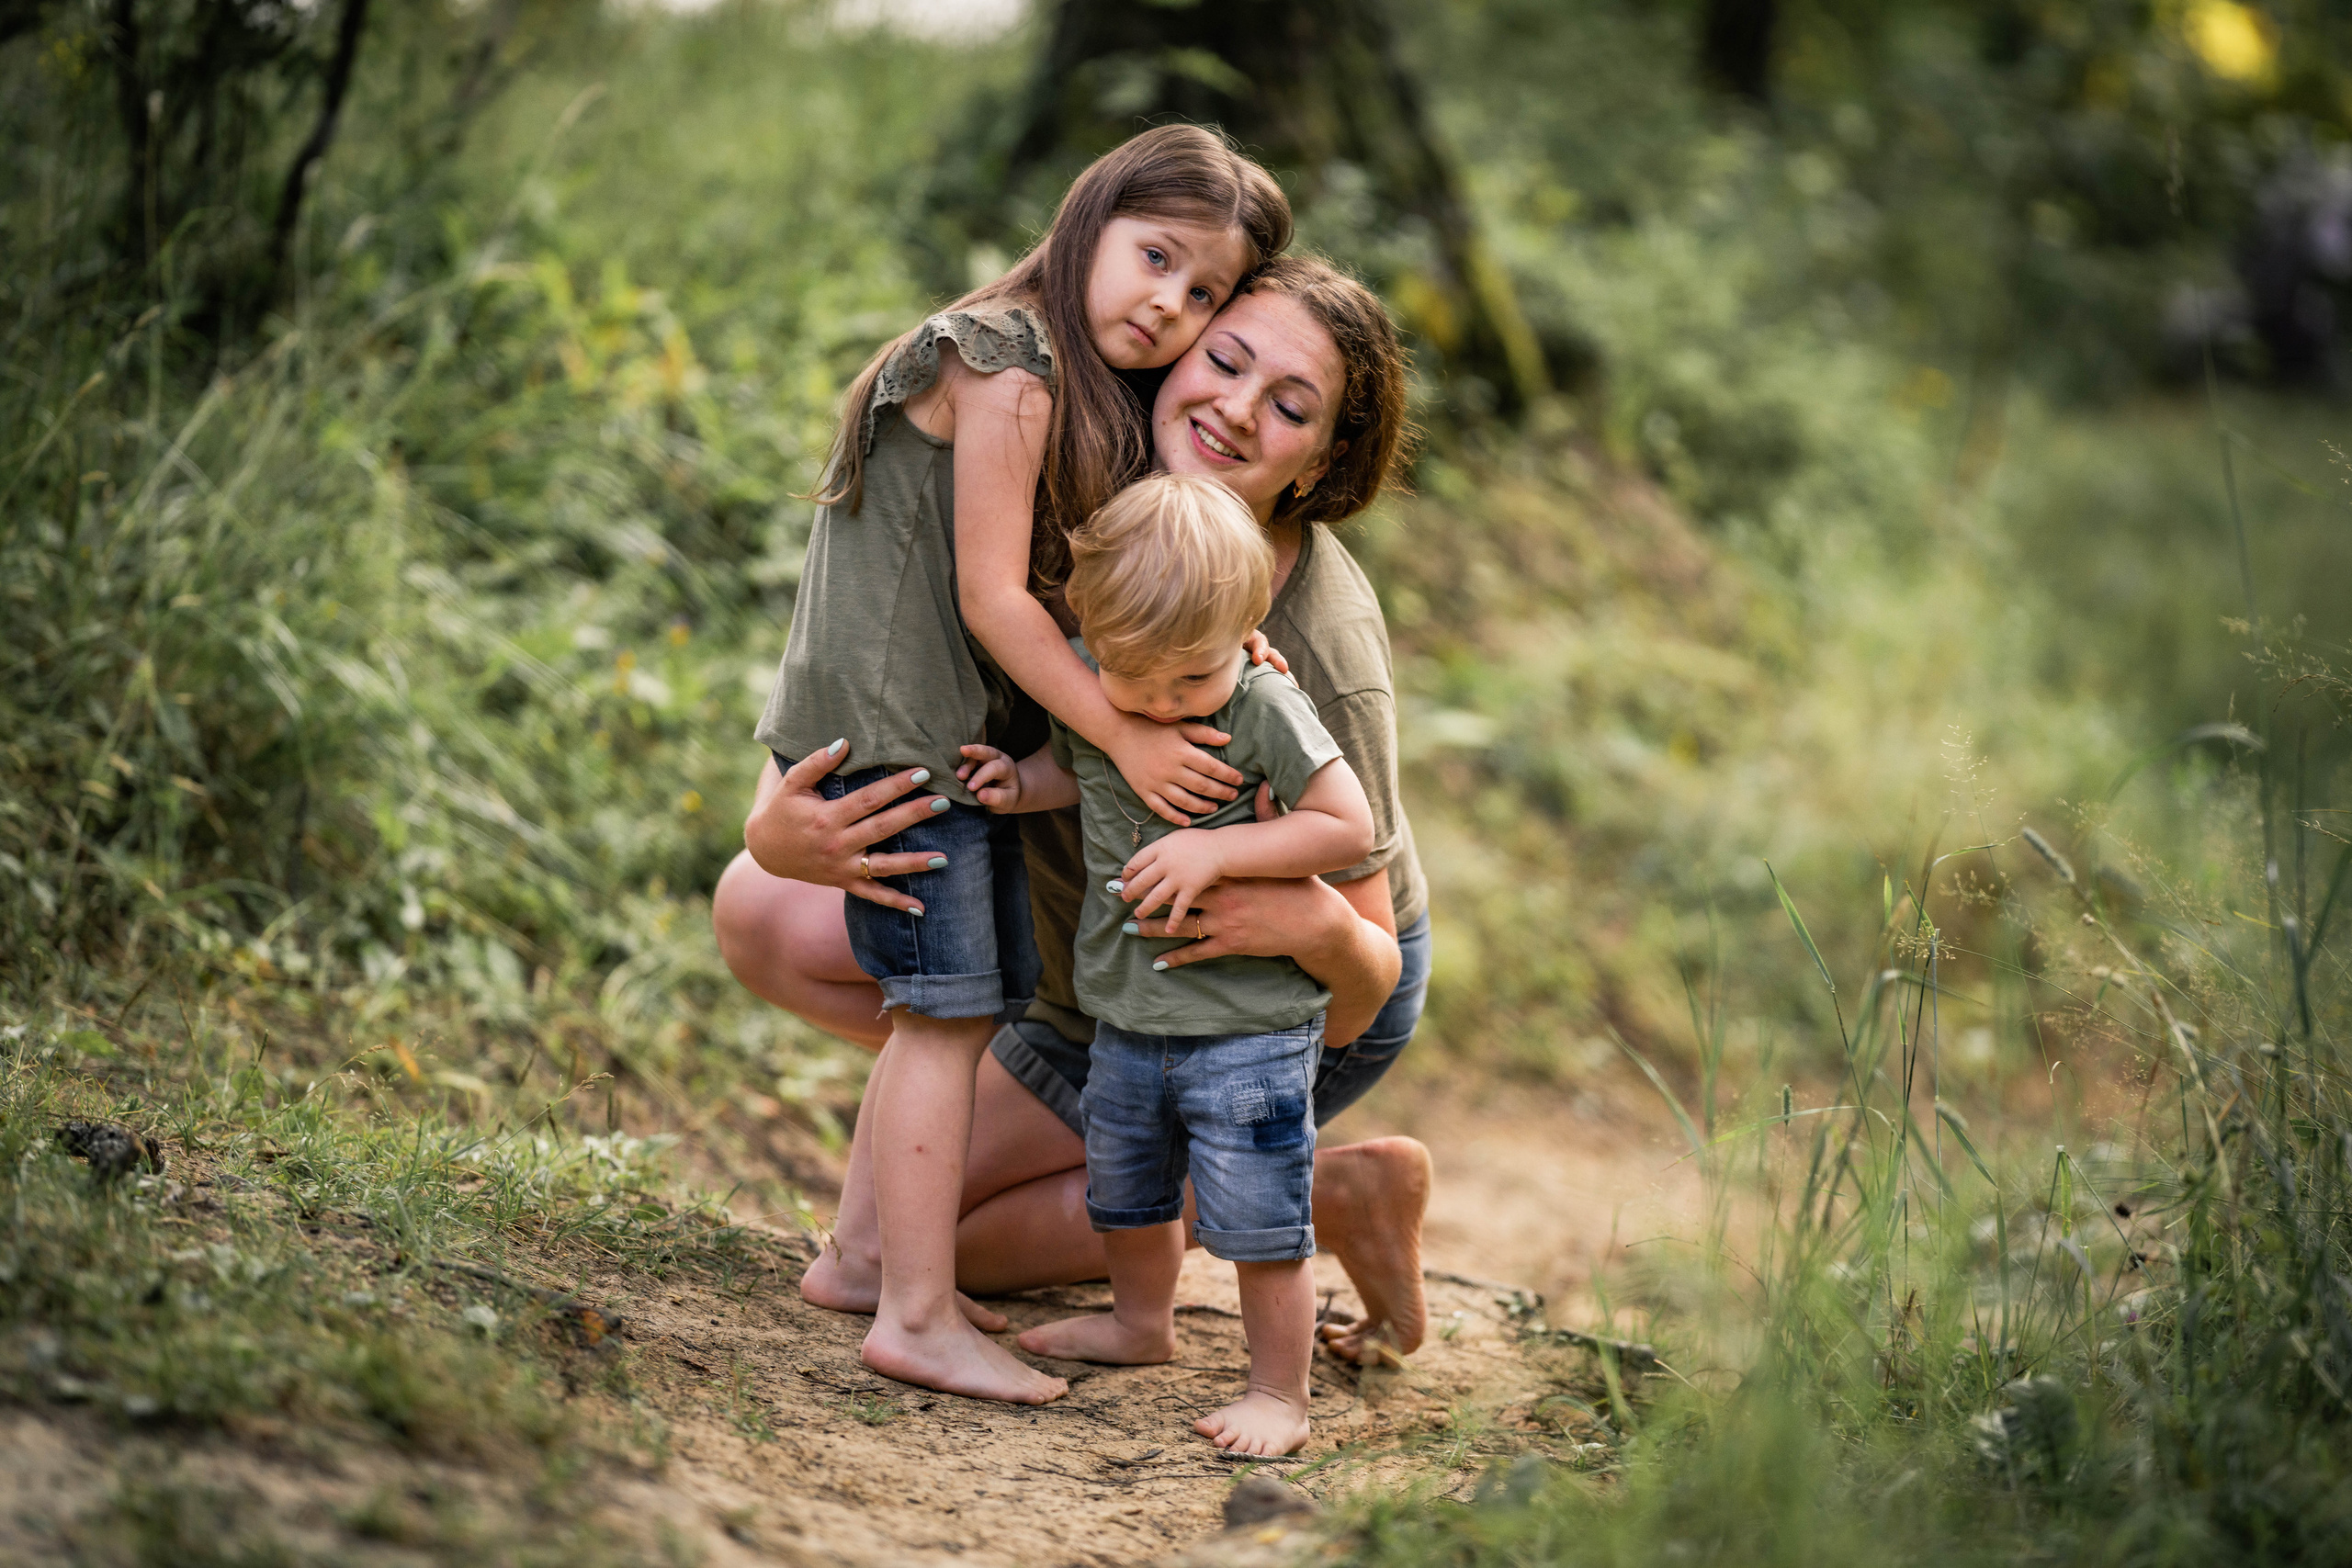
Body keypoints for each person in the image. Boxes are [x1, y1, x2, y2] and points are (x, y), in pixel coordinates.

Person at [718, 256, 1435, 1369]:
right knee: (763, 906)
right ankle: (1060, 1102)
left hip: (1260, 994)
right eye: (1225, 359)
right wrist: (777, 823)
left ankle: (1296, 1188)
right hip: (1088, 965)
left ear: (1324, 460)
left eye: (1289, 407)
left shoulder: (1314, 644)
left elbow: (1363, 983)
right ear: (1177, 348)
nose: (1237, 409)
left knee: (929, 1246)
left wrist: (1303, 926)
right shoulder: (1080, 507)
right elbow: (881, 678)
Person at [749, 125, 1290, 1405]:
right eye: (1156, 256)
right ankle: (916, 1314)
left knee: (947, 1012)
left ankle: (865, 1254)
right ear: (1091, 216)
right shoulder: (1007, 366)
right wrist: (1127, 728)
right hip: (904, 742)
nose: (1169, 302)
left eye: (1204, 291)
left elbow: (1059, 575)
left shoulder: (1027, 365)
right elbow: (998, 601)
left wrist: (1195, 633)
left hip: (922, 738)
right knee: (942, 1022)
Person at [961, 473, 1374, 1455]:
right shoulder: (1107, 675)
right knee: (1129, 1192)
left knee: (1260, 1224)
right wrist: (1020, 784)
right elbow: (1082, 766)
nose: (1153, 706)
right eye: (1127, 681)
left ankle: (1280, 1393)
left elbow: (1341, 822)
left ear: (1249, 624)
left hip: (1248, 1026)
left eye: (1186, 686)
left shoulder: (1265, 705)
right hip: (1127, 1012)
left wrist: (1216, 849)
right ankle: (1141, 1324)